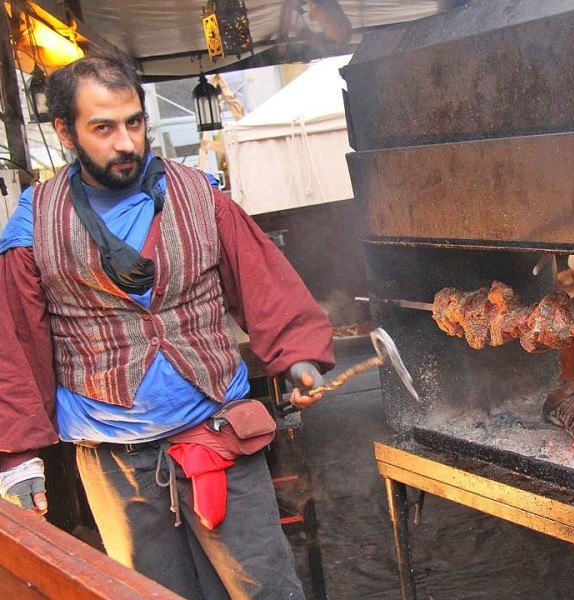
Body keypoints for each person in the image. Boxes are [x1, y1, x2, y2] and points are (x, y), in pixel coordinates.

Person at [0, 55, 335, 600]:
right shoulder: (35, 224)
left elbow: (263, 283)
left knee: (266, 590)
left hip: (219, 438)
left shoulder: (201, 197)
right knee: (151, 595)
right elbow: (12, 343)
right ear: (65, 131)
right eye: (103, 128)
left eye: (134, 122)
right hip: (117, 461)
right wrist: (15, 457)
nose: (126, 143)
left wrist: (298, 353)